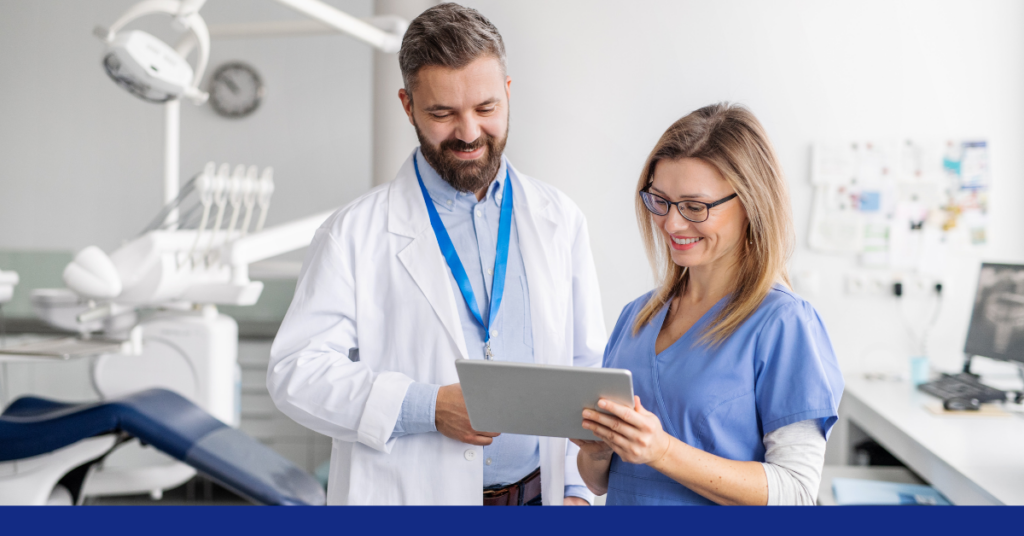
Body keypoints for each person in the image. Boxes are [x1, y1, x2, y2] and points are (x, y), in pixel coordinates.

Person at [267, 3, 604, 506]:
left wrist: (577, 491)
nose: (468, 133)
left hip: (541, 498)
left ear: (507, 93)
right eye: (443, 114)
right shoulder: (353, 233)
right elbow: (296, 372)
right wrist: (425, 406)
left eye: (486, 109)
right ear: (408, 106)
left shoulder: (558, 218)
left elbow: (585, 366)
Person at [573, 103, 844, 505]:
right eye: (660, 201)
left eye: (695, 207)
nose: (672, 224)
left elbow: (796, 491)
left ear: (751, 203)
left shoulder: (783, 323)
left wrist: (662, 451)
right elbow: (601, 483)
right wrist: (597, 450)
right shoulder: (636, 317)